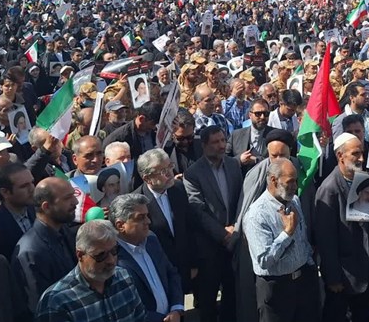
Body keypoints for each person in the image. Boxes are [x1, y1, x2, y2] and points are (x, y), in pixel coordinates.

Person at [243, 158, 319, 322]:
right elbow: (264, 260)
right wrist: (286, 234)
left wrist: (310, 265)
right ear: (273, 180)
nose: (295, 186)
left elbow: (302, 239)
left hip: (302, 282)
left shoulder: (294, 201)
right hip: (276, 288)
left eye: (296, 181)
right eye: (290, 181)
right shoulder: (257, 215)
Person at [315, 132, 369, 322]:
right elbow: (325, 239)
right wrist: (333, 277)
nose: (361, 159)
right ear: (340, 155)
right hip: (344, 275)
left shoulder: (364, 181)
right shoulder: (329, 189)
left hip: (364, 269)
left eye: (362, 153)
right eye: (355, 154)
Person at [184, 125, 243, 322]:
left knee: (232, 294)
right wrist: (222, 234)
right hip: (209, 246)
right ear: (204, 145)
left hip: (234, 241)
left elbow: (241, 199)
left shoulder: (233, 165)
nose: (221, 146)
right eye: (216, 142)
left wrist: (236, 228)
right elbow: (197, 211)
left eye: (223, 140)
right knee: (208, 299)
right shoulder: (193, 173)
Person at [35, 220, 146, 322]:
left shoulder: (124, 278)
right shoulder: (57, 302)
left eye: (114, 251)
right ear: (80, 255)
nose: (111, 260)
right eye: (101, 255)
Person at [110, 194, 184, 322]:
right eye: (141, 218)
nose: (148, 221)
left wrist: (176, 308)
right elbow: (124, 304)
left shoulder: (151, 240)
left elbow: (171, 273)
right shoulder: (112, 257)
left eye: (147, 216)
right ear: (120, 225)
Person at [135, 147, 196, 297]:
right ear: (147, 178)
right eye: (163, 171)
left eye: (170, 166)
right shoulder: (137, 202)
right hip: (158, 273)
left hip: (183, 268)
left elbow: (189, 227)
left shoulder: (178, 188)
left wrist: (193, 263)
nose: (170, 173)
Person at [11, 176, 78, 312]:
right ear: (46, 207)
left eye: (73, 195)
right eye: (67, 198)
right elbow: (39, 307)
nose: (75, 202)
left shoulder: (64, 230)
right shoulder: (30, 252)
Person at [0, 163, 36, 259]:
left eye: (32, 182)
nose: (32, 189)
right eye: (24, 186)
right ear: (5, 192)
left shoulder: (39, 211)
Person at [227, 98, 273, 172]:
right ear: (250, 115)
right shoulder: (236, 135)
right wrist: (239, 160)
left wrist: (256, 160)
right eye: (258, 114)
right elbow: (224, 159)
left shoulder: (275, 135)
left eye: (266, 114)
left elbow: (280, 160)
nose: (262, 117)